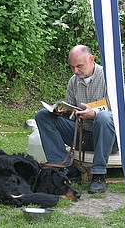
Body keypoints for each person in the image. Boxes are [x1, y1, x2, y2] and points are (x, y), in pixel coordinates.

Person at [35, 45, 118, 194]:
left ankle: (98, 175)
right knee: (42, 115)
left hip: (108, 138)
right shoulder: (73, 81)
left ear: (91, 59)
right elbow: (71, 114)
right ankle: (65, 167)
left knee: (104, 117)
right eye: (72, 67)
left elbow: (120, 115)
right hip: (82, 135)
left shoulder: (110, 78)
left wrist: (93, 114)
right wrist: (62, 111)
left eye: (79, 66)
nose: (75, 71)